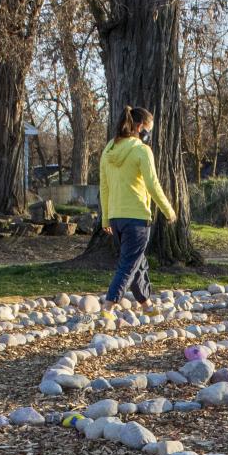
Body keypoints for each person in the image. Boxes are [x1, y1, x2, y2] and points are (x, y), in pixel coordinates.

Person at [98, 106, 176, 309]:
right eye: (148, 130)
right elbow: (152, 184)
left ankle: (146, 305)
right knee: (128, 265)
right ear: (140, 127)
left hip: (116, 218)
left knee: (138, 262)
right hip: (137, 217)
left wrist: (106, 218)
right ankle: (108, 306)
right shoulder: (142, 150)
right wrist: (168, 210)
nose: (148, 135)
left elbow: (104, 186)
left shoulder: (109, 149)